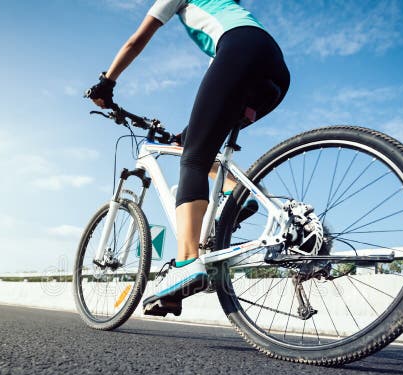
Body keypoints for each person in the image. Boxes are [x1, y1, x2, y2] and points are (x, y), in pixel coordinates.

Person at [87, 0, 289, 315]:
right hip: (272, 70)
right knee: (199, 145)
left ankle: (186, 262)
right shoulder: (225, 9)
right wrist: (189, 130)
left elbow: (136, 40)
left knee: (192, 161)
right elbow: (219, 86)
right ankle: (237, 194)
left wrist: (106, 82)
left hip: (240, 50)